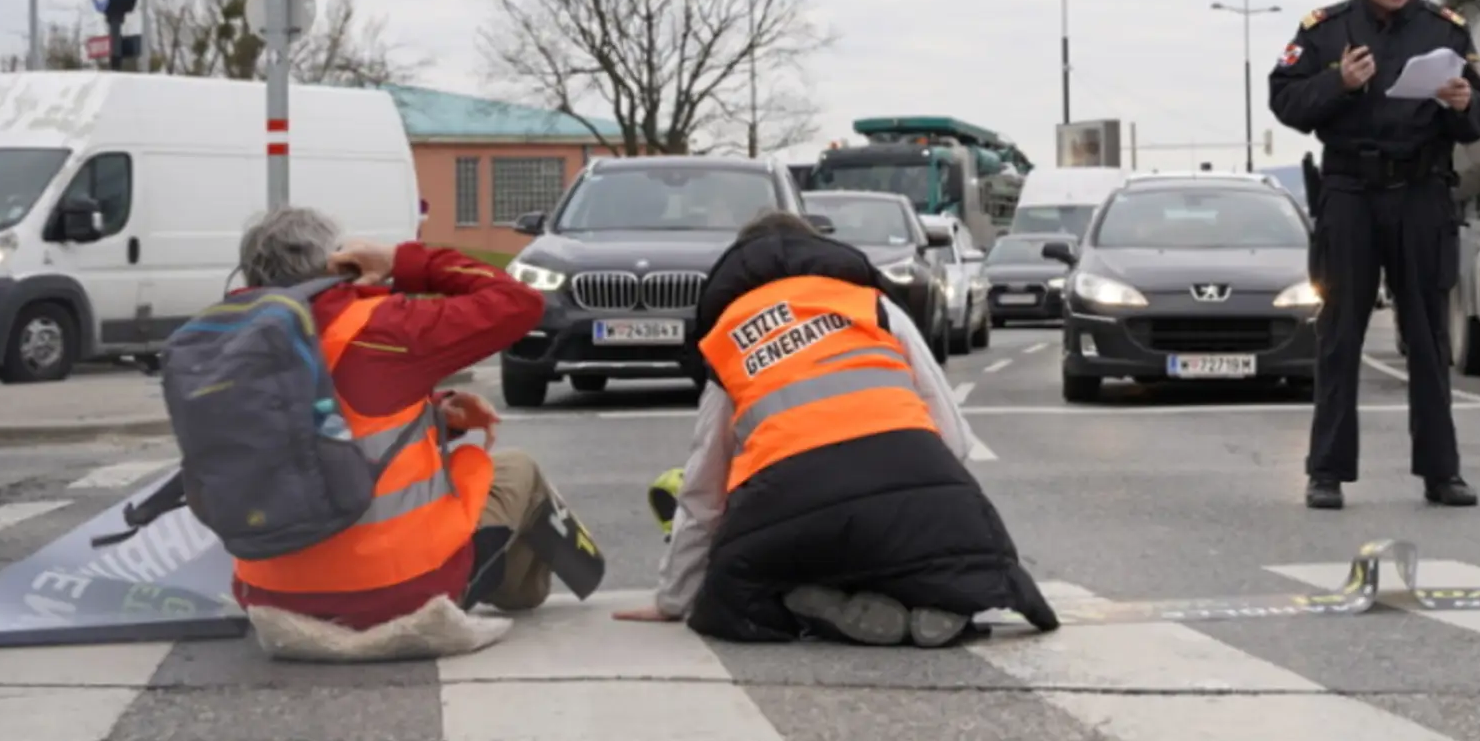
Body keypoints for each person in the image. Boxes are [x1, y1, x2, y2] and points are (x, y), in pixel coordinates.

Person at [617, 211, 1059, 644]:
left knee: (740, 589)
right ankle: (931, 601)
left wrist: (674, 599)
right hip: (915, 488)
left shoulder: (729, 333)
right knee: (936, 557)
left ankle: (815, 605)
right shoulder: (874, 306)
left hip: (789, 509)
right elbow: (954, 436)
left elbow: (704, 489)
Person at [224, 207, 559, 629]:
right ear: (338, 263)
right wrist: (399, 261)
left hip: (267, 597)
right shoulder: (383, 330)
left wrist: (433, 411)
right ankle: (520, 590)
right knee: (517, 470)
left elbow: (310, 420)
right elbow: (520, 301)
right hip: (395, 595)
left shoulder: (223, 347)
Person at [1268, 0, 1480, 511]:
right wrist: (1338, 82)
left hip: (1420, 193)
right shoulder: (1326, 30)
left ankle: (1441, 472)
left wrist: (1463, 101)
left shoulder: (1442, 28)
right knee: (1340, 333)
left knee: (1425, 335)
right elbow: (1285, 100)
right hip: (1349, 194)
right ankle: (1327, 471)